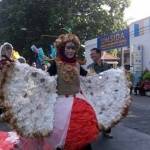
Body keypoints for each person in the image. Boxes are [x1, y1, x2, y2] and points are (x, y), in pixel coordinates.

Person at [0, 35, 100, 150]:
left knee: (83, 135)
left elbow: (88, 78)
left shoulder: (77, 64)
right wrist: (26, 72)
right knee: (59, 137)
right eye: (68, 48)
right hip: (60, 105)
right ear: (63, 48)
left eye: (73, 48)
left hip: (79, 103)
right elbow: (46, 79)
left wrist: (105, 78)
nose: (70, 50)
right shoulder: (56, 64)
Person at [87, 48, 113, 139]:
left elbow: (111, 79)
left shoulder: (107, 66)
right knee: (96, 112)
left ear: (99, 54)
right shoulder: (90, 67)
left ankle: (107, 131)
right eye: (91, 54)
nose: (92, 56)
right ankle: (96, 130)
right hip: (95, 94)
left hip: (106, 93)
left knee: (107, 112)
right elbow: (88, 81)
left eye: (93, 54)